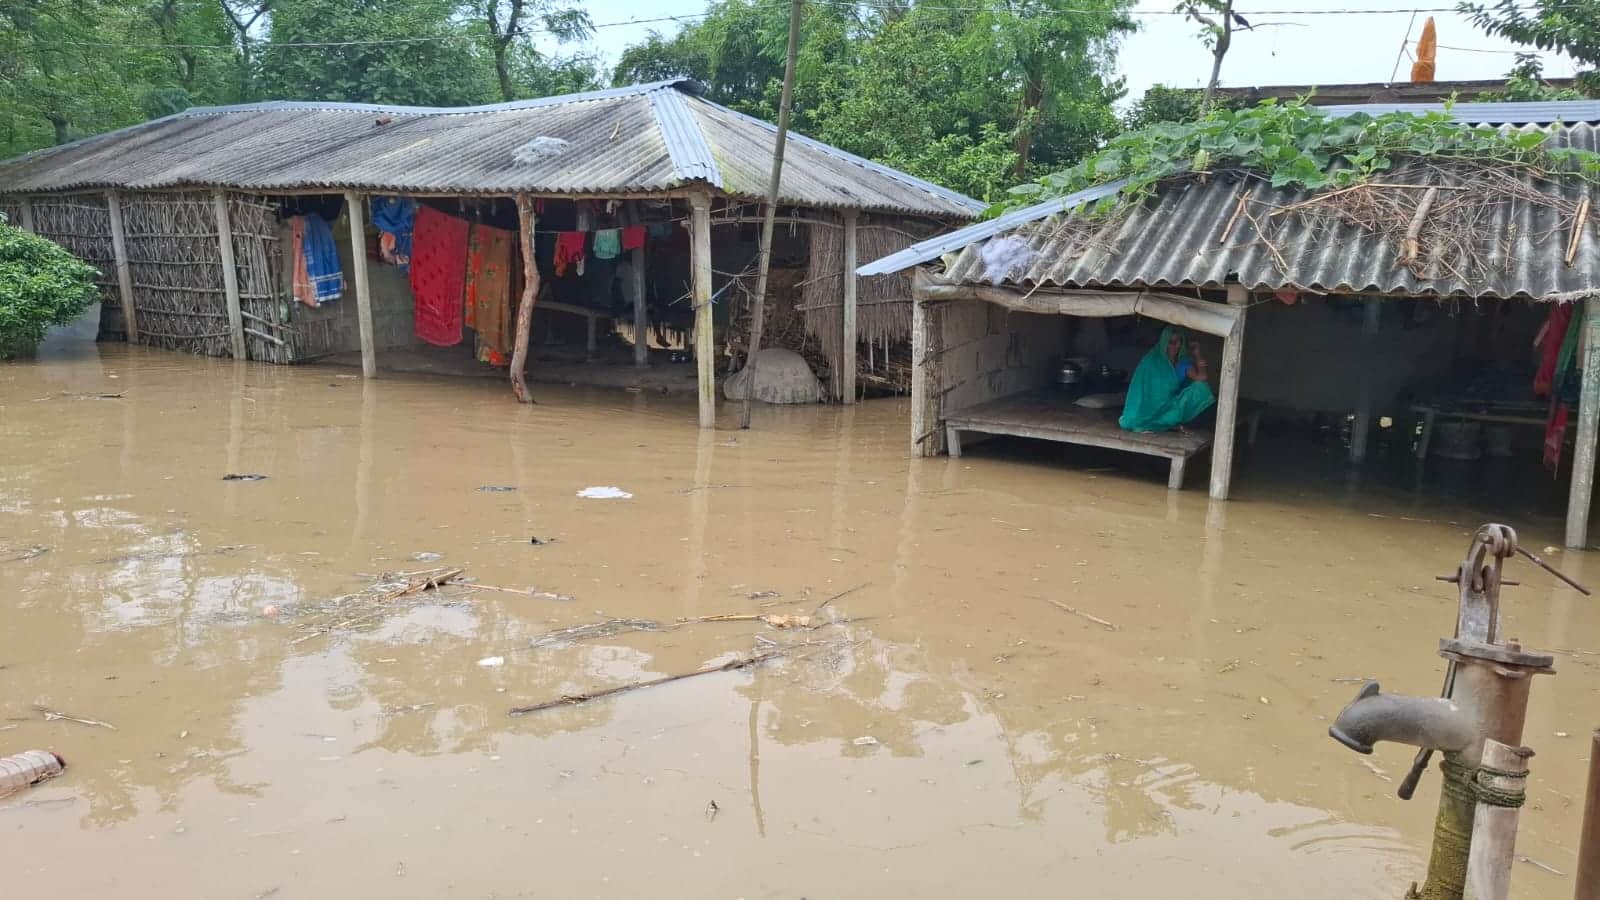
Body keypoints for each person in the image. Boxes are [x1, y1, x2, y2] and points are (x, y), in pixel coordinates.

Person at [1118, 325, 1216, 433]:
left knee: (1201, 387)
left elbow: (1202, 378)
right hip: (1152, 408)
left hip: (1171, 406)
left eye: (1179, 341)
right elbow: (1142, 392)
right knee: (1135, 421)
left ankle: (1169, 424)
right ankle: (1165, 424)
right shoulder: (1151, 362)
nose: (1176, 346)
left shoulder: (1183, 362)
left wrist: (1197, 353)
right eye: (1171, 342)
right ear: (1164, 343)